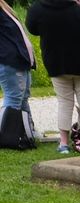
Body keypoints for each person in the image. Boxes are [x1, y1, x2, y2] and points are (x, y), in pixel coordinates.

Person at [26, 0, 80, 154]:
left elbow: (32, 29)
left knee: (64, 103)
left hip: (56, 63)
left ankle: (63, 143)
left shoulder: (37, 9)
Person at [0, 0, 37, 141]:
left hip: (21, 60)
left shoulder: (5, 8)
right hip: (10, 61)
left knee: (23, 97)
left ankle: (27, 132)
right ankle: (8, 135)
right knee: (14, 98)